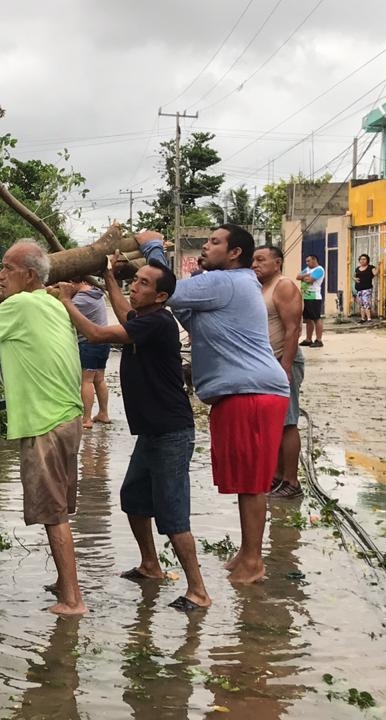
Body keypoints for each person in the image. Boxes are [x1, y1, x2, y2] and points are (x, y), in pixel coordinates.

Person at [53, 253, 212, 612]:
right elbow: (125, 311)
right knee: (134, 500)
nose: (134, 286)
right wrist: (108, 276)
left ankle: (199, 591)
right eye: (134, 280)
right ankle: (150, 565)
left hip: (171, 431)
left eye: (143, 283)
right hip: (152, 432)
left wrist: (65, 301)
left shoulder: (157, 322)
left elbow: (95, 332)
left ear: (160, 296)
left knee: (173, 514)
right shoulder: (145, 318)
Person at [139, 225, 290, 585]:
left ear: (235, 253)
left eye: (214, 242)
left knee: (252, 482)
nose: (205, 247)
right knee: (245, 479)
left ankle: (253, 561)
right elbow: (183, 309)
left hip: (250, 393)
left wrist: (154, 249)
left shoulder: (227, 281)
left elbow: (168, 290)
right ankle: (246, 552)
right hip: (244, 392)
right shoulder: (232, 284)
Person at [0, 240, 87, 615]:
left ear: (30, 275)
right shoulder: (53, 304)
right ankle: (63, 582)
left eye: (6, 269)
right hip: (68, 417)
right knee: (59, 508)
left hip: (44, 421)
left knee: (53, 514)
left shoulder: (19, 305)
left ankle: (72, 600)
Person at [252, 246, 305, 500]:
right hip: (267, 362)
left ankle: (291, 481)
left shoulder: (284, 286)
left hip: (283, 361)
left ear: (277, 262)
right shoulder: (259, 288)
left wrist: (285, 367)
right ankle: (276, 476)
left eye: (261, 260)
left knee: (287, 422)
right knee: (272, 423)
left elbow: (293, 329)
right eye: (253, 260)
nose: (255, 264)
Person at [69, 278, 112, 429]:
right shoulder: (96, 293)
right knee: (99, 379)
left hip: (89, 345)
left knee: (86, 381)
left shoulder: (80, 300)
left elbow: (62, 312)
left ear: (73, 282)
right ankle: (103, 413)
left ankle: (86, 418)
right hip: (104, 343)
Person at [296, 254, 325, 347]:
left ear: (314, 260)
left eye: (308, 261)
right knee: (308, 319)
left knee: (316, 318)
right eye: (306, 261)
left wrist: (305, 277)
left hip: (314, 297)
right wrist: (306, 275)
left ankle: (319, 340)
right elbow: (298, 276)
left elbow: (310, 280)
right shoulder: (308, 269)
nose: (307, 263)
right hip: (305, 296)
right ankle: (308, 339)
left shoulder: (319, 270)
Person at [353, 253, 378, 324]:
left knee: (366, 303)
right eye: (361, 259)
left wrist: (378, 266)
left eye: (364, 259)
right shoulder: (357, 268)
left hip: (367, 288)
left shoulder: (370, 267)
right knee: (361, 304)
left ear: (367, 260)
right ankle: (362, 318)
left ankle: (369, 318)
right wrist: (355, 279)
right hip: (359, 289)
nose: (362, 261)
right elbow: (354, 276)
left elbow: (375, 273)